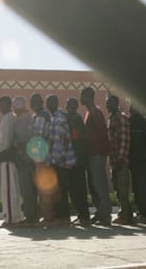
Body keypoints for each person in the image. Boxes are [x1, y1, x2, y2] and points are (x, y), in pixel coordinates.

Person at [80, 87, 112, 226]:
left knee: (99, 184)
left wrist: (84, 136)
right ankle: (101, 212)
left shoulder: (95, 112)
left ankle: (105, 214)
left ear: (88, 96)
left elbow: (101, 132)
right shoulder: (89, 112)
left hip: (97, 153)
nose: (80, 98)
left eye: (82, 95)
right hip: (92, 153)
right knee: (94, 184)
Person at [0, 95, 24, 228]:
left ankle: (11, 219)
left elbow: (5, 141)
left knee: (9, 190)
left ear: (9, 105)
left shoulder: (8, 118)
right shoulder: (9, 117)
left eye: (3, 104)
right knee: (13, 188)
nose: (1, 107)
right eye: (0, 104)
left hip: (6, 158)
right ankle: (15, 216)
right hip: (8, 158)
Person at [44, 94, 76, 226]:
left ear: (55, 103)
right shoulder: (54, 117)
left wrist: (54, 161)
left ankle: (63, 217)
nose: (47, 105)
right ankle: (61, 216)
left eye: (49, 103)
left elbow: (59, 141)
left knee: (61, 190)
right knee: (59, 189)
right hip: (59, 160)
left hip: (60, 161)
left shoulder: (58, 118)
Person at [106, 95, 133, 225]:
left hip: (120, 161)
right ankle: (123, 214)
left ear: (116, 103)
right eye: (107, 103)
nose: (107, 106)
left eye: (110, 103)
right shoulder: (111, 119)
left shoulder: (121, 118)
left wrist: (120, 160)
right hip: (114, 160)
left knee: (123, 190)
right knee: (118, 189)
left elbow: (124, 140)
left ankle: (127, 216)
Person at [12, 96, 38, 226]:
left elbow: (22, 140)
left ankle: (30, 217)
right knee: (30, 190)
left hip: (24, 159)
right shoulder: (28, 117)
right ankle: (33, 216)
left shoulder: (22, 120)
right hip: (30, 159)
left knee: (26, 189)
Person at [65, 97, 91, 226]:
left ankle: (84, 216)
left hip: (77, 161)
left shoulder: (76, 119)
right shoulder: (72, 119)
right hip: (73, 160)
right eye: (68, 105)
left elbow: (75, 136)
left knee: (79, 189)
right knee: (74, 190)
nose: (70, 107)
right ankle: (81, 215)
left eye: (72, 105)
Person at [29, 93, 52, 223]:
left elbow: (38, 136)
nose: (34, 104)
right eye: (33, 101)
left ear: (42, 102)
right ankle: (45, 215)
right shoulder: (36, 116)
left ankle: (48, 216)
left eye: (37, 101)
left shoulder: (43, 116)